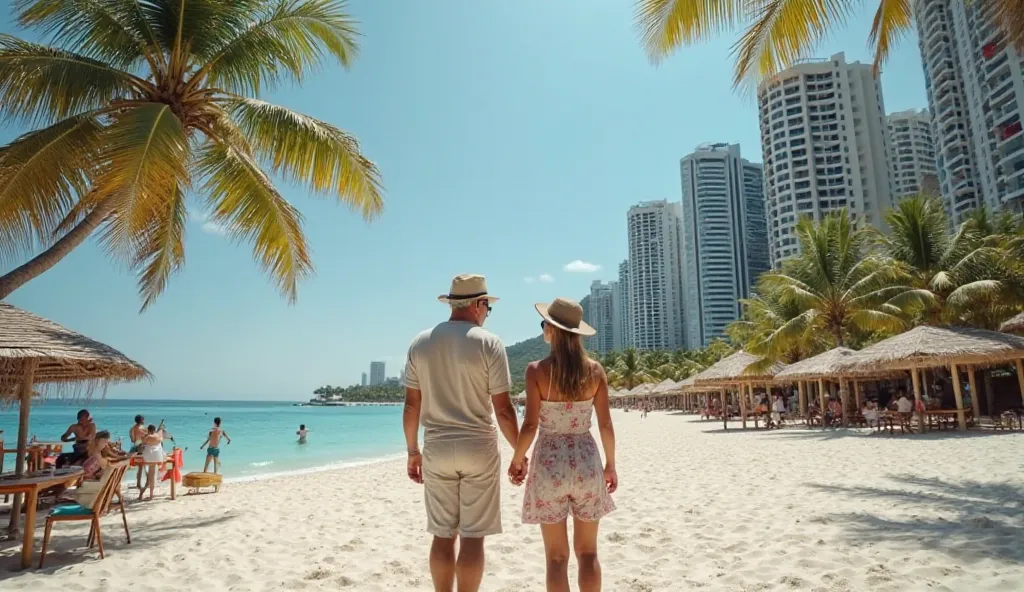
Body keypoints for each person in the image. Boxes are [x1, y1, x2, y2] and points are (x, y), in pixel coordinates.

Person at [402, 274, 519, 592]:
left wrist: (413, 451)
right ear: (479, 304)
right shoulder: (489, 343)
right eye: (488, 308)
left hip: (437, 446)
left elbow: (412, 407)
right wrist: (520, 453)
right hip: (478, 445)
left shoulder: (421, 342)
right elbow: (504, 410)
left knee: (443, 535)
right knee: (471, 536)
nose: (487, 314)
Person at [509, 297, 616, 592]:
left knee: (556, 557)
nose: (543, 328)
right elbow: (606, 424)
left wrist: (518, 460)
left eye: (545, 324)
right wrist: (611, 465)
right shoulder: (595, 371)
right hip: (586, 460)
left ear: (552, 330)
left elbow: (530, 425)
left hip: (548, 463)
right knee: (588, 552)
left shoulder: (535, 371)